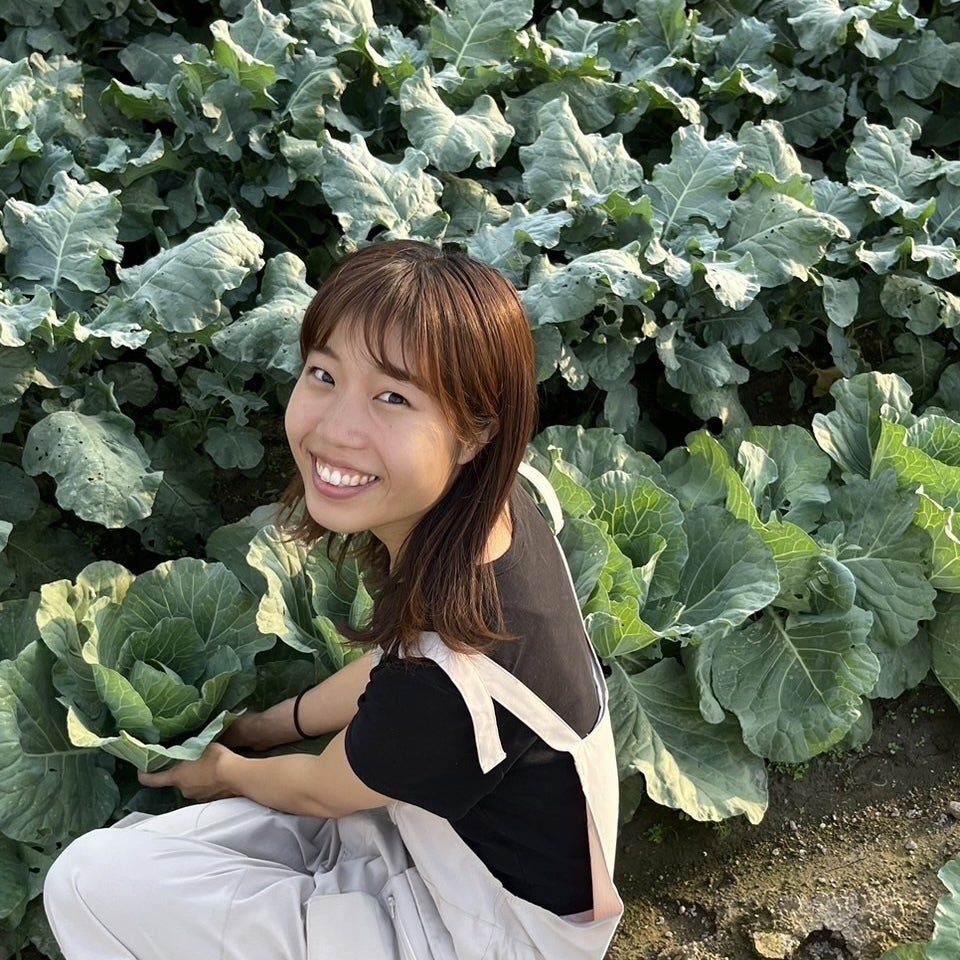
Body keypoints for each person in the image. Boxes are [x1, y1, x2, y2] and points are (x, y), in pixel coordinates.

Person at [43, 240, 623, 960]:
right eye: (324, 374)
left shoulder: (456, 677)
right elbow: (397, 666)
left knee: (85, 886)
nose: (335, 429)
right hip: (433, 830)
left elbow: (326, 785)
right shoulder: (499, 511)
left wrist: (222, 771)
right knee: (123, 867)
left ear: (474, 435)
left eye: (394, 397)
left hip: (494, 929)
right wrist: (264, 727)